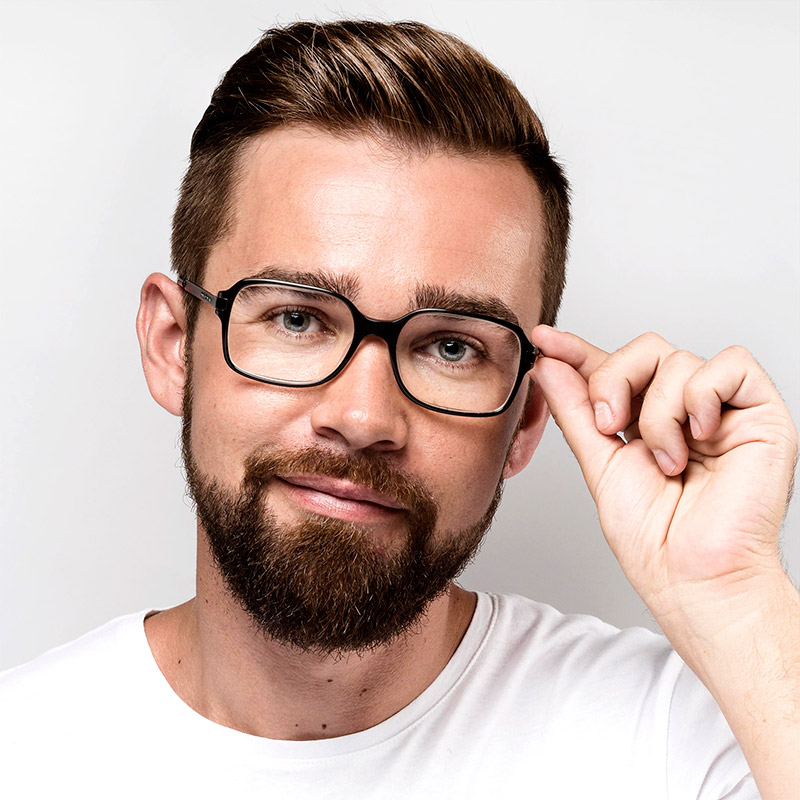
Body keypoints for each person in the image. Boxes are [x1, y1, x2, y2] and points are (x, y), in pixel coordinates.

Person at [1, 18, 797, 799]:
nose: (363, 418)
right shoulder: (21, 751)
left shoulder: (683, 741)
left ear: (526, 419)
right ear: (174, 345)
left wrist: (735, 595)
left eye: (451, 347)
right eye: (297, 319)